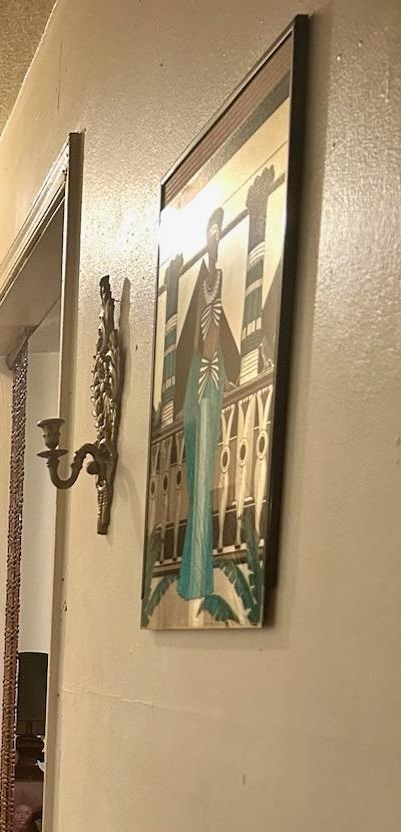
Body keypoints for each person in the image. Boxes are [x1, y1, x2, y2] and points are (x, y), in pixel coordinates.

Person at [174, 207, 241, 600]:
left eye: (218, 231)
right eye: (210, 231)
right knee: (197, 474)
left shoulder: (216, 278)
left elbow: (220, 332)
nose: (215, 238)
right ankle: (194, 571)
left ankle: (201, 571)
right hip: (199, 383)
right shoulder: (203, 281)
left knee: (209, 478)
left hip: (213, 382)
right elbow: (192, 339)